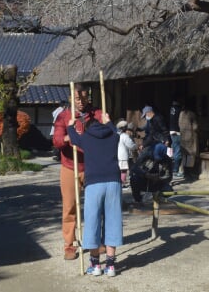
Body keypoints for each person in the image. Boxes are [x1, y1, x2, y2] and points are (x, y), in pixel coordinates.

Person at [67, 108, 122, 277]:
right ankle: (111, 265)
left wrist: (70, 126)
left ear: (88, 127)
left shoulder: (86, 137)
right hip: (113, 181)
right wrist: (109, 122)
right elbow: (117, 133)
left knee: (93, 221)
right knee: (113, 220)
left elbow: (73, 139)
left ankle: (95, 264)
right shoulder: (113, 135)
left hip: (94, 183)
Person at [52, 86, 102, 261]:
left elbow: (108, 132)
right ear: (71, 99)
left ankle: (94, 241)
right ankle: (69, 244)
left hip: (92, 166)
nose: (81, 102)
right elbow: (57, 140)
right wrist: (70, 136)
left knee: (95, 206)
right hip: (70, 166)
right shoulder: (64, 116)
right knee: (70, 207)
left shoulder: (96, 114)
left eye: (84, 98)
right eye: (77, 98)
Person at [178, 102, 199, 179]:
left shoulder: (181, 113)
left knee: (184, 155)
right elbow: (195, 127)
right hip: (190, 136)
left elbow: (179, 124)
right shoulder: (192, 114)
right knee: (190, 155)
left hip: (182, 137)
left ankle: (184, 171)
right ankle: (189, 172)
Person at [116, 121, 137, 187]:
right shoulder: (124, 136)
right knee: (123, 170)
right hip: (123, 156)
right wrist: (135, 146)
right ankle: (122, 183)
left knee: (119, 170)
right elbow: (131, 145)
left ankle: (120, 182)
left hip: (116, 155)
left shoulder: (116, 135)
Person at [168, 98, 183, 180]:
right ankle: (175, 170)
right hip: (177, 131)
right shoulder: (179, 110)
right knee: (177, 151)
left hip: (171, 130)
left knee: (173, 150)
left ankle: (172, 168)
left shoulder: (171, 109)